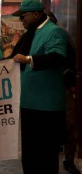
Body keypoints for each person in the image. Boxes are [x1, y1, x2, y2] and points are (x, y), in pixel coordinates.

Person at [10, 0, 68, 173]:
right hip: (29, 103)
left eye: (23, 16)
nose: (21, 20)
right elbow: (13, 58)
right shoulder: (30, 33)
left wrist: (29, 59)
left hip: (46, 106)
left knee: (45, 156)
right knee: (30, 155)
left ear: (36, 14)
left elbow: (57, 58)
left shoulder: (54, 32)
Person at [45, 10, 80, 174]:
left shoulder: (61, 35)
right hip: (44, 90)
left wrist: (69, 77)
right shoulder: (34, 37)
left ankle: (69, 159)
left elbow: (72, 60)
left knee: (69, 125)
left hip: (61, 86)